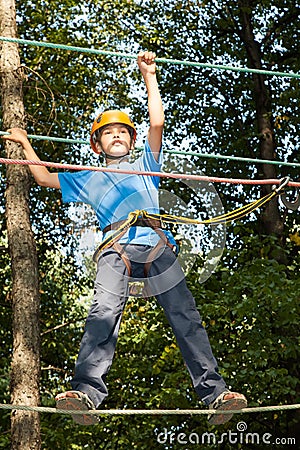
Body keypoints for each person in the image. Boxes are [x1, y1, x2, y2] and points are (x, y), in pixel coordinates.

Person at [2, 51, 247, 426]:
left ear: (131, 141)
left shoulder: (146, 164)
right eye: (108, 132)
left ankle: (216, 394)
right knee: (102, 313)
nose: (116, 135)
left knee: (185, 316)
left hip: (157, 247)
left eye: (122, 131)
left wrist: (148, 75)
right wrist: (24, 144)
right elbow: (43, 178)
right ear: (97, 145)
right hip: (114, 250)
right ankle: (86, 393)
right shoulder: (86, 176)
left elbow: (157, 121)